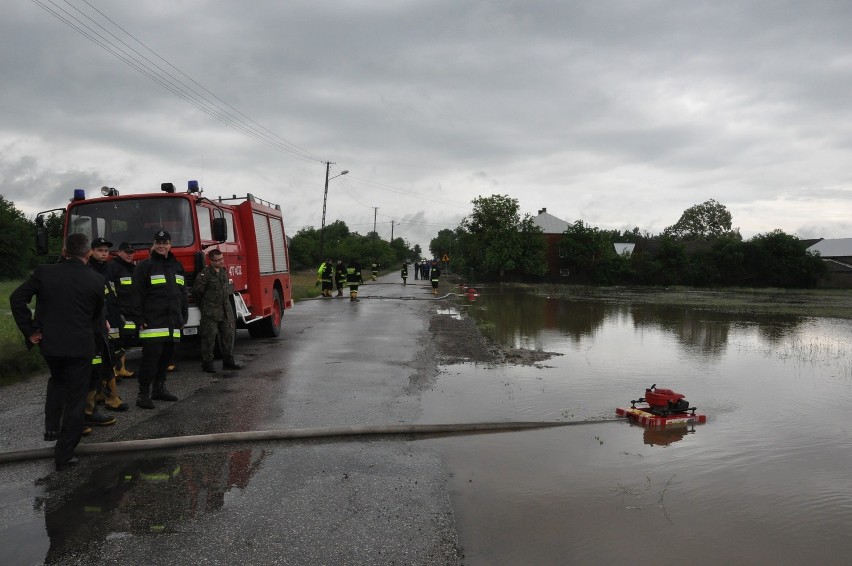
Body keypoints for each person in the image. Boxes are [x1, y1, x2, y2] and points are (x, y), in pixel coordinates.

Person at [10, 233, 105, 471]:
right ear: (88, 254)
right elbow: (96, 316)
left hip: (50, 345)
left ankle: (51, 428)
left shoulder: (44, 272)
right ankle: (64, 455)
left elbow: (16, 298)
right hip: (80, 346)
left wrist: (30, 330)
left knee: (57, 381)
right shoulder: (96, 279)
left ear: (64, 252)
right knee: (76, 398)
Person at [131, 230, 188, 409]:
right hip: (152, 322)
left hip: (173, 322)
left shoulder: (177, 266)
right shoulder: (144, 266)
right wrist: (138, 317)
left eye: (165, 242)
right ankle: (143, 394)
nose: (162, 245)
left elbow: (182, 294)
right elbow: (136, 295)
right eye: (158, 242)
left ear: (171, 245)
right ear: (153, 245)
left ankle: (159, 389)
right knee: (150, 359)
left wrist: (184, 315)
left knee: (166, 358)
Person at [86, 237, 121, 424]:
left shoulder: (107, 268)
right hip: (93, 323)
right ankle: (100, 401)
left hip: (106, 318)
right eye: (100, 250)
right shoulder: (88, 269)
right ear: (90, 251)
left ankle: (110, 396)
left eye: (106, 251)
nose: (104, 253)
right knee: (97, 362)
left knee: (108, 357)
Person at [192, 249, 242, 373]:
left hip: (225, 310)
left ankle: (228, 361)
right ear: (211, 261)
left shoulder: (224, 272)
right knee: (209, 338)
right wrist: (205, 306)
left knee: (228, 336)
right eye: (217, 260)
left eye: (221, 259)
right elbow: (197, 293)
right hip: (210, 312)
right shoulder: (204, 275)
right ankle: (207, 364)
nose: (220, 262)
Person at [105, 242, 137, 379]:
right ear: (119, 252)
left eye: (131, 253)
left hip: (130, 309)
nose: (129, 255)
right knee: (114, 341)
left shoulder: (132, 267)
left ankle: (121, 368)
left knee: (124, 339)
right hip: (118, 310)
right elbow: (110, 289)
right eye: (126, 252)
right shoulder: (113, 266)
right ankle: (113, 371)